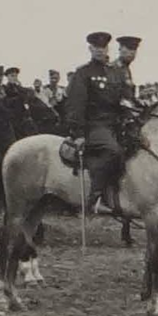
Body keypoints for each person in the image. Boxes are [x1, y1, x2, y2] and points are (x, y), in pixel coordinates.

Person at [65, 32, 132, 215]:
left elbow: (124, 100)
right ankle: (95, 197)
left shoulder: (115, 72)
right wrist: (78, 133)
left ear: (107, 48)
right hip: (94, 126)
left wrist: (131, 115)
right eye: (96, 48)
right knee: (113, 151)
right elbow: (75, 105)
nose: (100, 51)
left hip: (115, 125)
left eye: (103, 47)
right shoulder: (83, 73)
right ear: (90, 49)